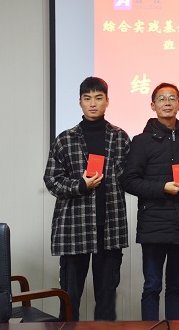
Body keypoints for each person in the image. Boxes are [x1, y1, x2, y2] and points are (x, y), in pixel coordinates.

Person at [44, 76, 130, 321]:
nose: (93, 103)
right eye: (87, 98)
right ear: (80, 102)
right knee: (70, 296)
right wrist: (80, 185)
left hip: (110, 229)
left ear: (107, 101)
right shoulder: (65, 139)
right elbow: (51, 180)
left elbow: (130, 177)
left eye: (98, 98)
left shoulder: (120, 137)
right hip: (75, 228)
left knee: (107, 297)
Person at [121, 82, 179, 321]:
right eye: (161, 98)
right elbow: (129, 181)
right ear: (153, 105)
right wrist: (162, 188)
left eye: (172, 98)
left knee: (176, 286)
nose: (167, 103)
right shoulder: (141, 141)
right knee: (152, 286)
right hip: (153, 225)